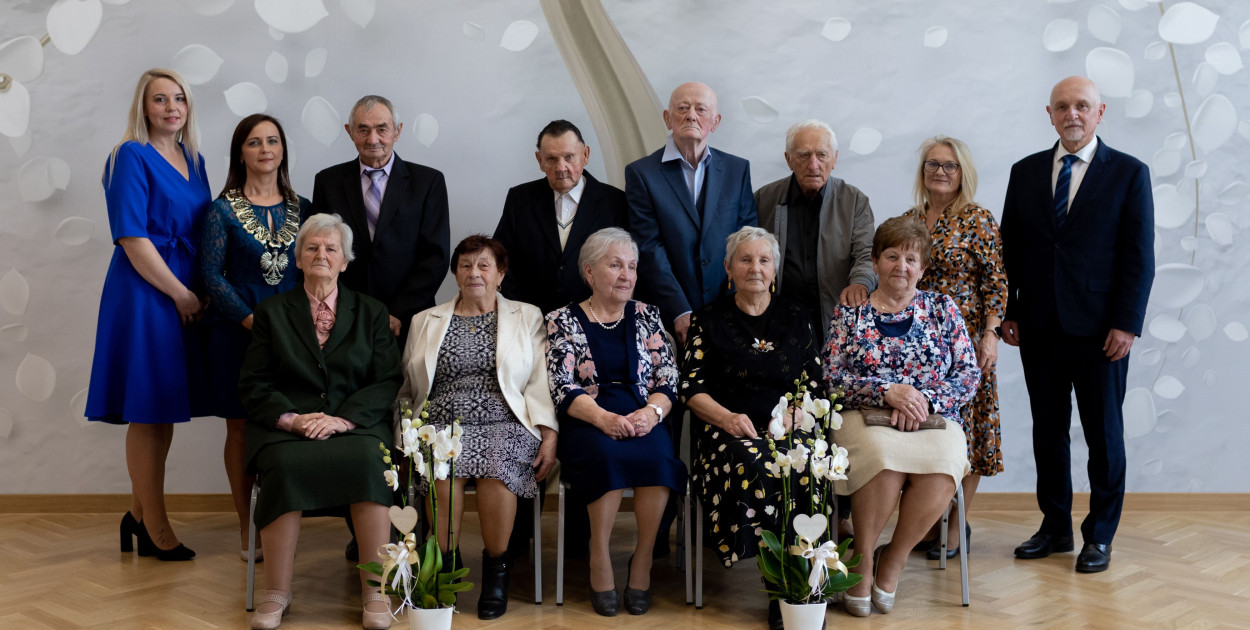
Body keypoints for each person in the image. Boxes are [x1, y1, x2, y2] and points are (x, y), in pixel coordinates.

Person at [1001, 76, 1154, 573]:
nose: (1073, 114)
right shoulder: (1025, 171)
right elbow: (1011, 249)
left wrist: (1127, 323)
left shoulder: (1129, 173)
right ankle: (1055, 527)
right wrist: (1010, 311)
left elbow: (1138, 256)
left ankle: (1100, 535)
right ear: (1049, 114)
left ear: (1100, 112)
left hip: (1101, 331)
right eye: (1063, 106)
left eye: (1082, 106)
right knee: (1048, 432)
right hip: (1039, 326)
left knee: (1103, 435)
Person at [237, 213, 402, 630]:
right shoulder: (272, 312)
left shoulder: (372, 312)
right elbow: (254, 383)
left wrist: (343, 421)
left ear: (345, 261)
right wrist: (293, 420)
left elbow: (387, 380)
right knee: (283, 465)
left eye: (331, 249)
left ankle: (376, 590)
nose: (321, 255)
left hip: (355, 427)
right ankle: (276, 592)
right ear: (297, 259)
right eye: (311, 247)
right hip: (289, 429)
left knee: (371, 461)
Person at [824, 216, 980, 617]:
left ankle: (894, 556)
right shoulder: (851, 313)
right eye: (892, 256)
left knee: (944, 464)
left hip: (932, 417)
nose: (901, 266)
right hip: (865, 415)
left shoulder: (942, 308)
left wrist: (921, 399)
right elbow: (831, 378)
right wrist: (886, 392)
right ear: (876, 261)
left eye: (911, 259)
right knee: (883, 460)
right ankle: (862, 559)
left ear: (923, 268)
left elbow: (968, 374)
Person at [86, 68, 211, 562]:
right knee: (147, 409)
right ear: (143, 106)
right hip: (146, 290)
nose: (171, 107)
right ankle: (156, 527)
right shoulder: (129, 155)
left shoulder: (194, 159)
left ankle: (137, 516)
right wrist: (180, 293)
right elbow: (132, 238)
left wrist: (200, 290)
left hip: (185, 289)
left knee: (162, 405)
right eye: (160, 99)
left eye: (179, 98)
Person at [398, 235, 558, 620]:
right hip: (439, 423)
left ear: (500, 274)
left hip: (506, 419)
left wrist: (549, 434)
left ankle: (496, 572)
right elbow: (407, 388)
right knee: (442, 472)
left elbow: (540, 382)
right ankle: (446, 568)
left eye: (484, 265)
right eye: (466, 265)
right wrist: (404, 435)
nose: (475, 273)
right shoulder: (425, 320)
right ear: (455, 273)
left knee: (496, 468)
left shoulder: (527, 315)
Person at [680, 226, 821, 630]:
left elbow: (814, 384)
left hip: (788, 428)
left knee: (807, 466)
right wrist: (726, 418)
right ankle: (780, 585)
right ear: (728, 268)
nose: (755, 268)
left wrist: (793, 417)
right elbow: (690, 387)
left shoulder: (797, 316)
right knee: (755, 464)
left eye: (763, 260)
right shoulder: (708, 319)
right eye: (745, 260)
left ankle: (806, 578)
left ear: (774, 269)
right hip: (727, 432)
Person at [545, 227, 686, 617]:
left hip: (643, 412)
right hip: (588, 417)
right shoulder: (561, 319)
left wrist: (652, 413)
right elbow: (561, 384)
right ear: (589, 272)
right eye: (616, 265)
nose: (627, 275)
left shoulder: (647, 315)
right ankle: (600, 555)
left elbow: (668, 377)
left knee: (658, 461)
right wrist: (604, 419)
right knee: (606, 458)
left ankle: (642, 559)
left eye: (632, 266)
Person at [200, 114, 309, 557]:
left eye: (273, 141)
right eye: (254, 142)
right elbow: (211, 275)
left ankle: (283, 522)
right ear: (240, 153)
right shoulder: (221, 210)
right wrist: (251, 320)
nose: (265, 149)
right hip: (237, 330)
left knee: (293, 420)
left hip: (295, 331)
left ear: (283, 150)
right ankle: (247, 527)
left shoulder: (305, 207)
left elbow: (317, 267)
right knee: (242, 427)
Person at [902, 135, 1007, 559]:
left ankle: (956, 524)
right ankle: (931, 522)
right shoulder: (910, 220)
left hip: (966, 343)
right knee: (930, 430)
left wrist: (991, 335)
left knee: (970, 431)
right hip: (919, 346)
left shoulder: (978, 219)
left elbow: (996, 283)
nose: (940, 172)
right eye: (932, 164)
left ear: (963, 172)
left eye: (949, 165)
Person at [625, 81, 757, 346]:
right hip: (669, 317)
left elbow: (746, 243)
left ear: (716, 121)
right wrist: (680, 310)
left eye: (701, 109)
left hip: (732, 311)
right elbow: (649, 248)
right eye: (683, 108)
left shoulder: (737, 170)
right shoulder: (641, 174)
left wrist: (733, 304)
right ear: (667, 118)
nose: (691, 116)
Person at [311, 94, 450, 343]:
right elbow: (321, 254)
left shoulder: (428, 182)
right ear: (350, 132)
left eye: (382, 129)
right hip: (345, 318)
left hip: (410, 319)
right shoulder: (327, 182)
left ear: (397, 131)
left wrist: (397, 312)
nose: (373, 139)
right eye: (363, 129)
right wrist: (344, 309)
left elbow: (435, 257)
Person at [754, 119, 877, 339]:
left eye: (822, 155)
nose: (813, 165)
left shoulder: (854, 201)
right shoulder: (764, 199)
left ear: (834, 159)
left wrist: (861, 283)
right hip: (777, 321)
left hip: (835, 319)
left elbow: (866, 253)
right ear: (788, 159)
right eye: (803, 155)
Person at [494, 119, 629, 315]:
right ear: (539, 160)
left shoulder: (615, 202)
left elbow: (628, 267)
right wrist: (521, 312)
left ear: (585, 155)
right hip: (530, 320)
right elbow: (500, 259)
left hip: (597, 319)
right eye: (551, 159)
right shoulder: (520, 200)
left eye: (569, 157)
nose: (561, 167)